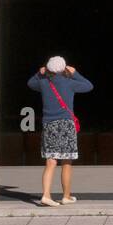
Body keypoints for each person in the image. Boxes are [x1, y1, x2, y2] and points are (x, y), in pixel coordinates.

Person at [27, 56, 94, 207]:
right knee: (66, 162)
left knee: (50, 161)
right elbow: (89, 86)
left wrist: (39, 73)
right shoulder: (70, 83)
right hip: (65, 125)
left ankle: (46, 195)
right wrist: (75, 73)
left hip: (49, 125)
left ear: (48, 69)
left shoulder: (43, 82)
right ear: (64, 68)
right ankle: (66, 196)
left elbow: (30, 83)